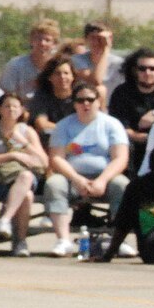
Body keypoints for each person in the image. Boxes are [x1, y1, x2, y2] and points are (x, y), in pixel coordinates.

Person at [42, 80, 130, 255]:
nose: (86, 104)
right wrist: (77, 179)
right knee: (54, 184)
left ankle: (119, 241)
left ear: (99, 102)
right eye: (80, 100)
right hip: (72, 177)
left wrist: (102, 180)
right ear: (74, 103)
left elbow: (121, 158)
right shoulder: (63, 126)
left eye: (90, 99)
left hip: (105, 176)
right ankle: (63, 240)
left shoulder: (112, 124)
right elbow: (56, 158)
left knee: (123, 185)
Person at [0, 91, 46, 256]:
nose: (11, 110)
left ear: (21, 110)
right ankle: (20, 242)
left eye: (15, 106)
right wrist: (13, 155)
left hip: (23, 176)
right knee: (27, 196)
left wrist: (23, 143)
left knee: (26, 176)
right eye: (7, 106)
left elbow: (44, 161)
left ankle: (5, 220)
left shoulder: (27, 131)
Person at [107, 49, 154, 170]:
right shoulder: (122, 92)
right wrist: (138, 136)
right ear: (134, 70)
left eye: (152, 68)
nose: (147, 72)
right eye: (142, 68)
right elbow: (118, 126)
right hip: (134, 143)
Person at [1, 18, 61, 101]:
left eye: (47, 40)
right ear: (31, 41)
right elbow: (5, 94)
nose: (42, 43)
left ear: (54, 44)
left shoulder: (59, 66)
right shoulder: (15, 65)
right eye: (38, 39)